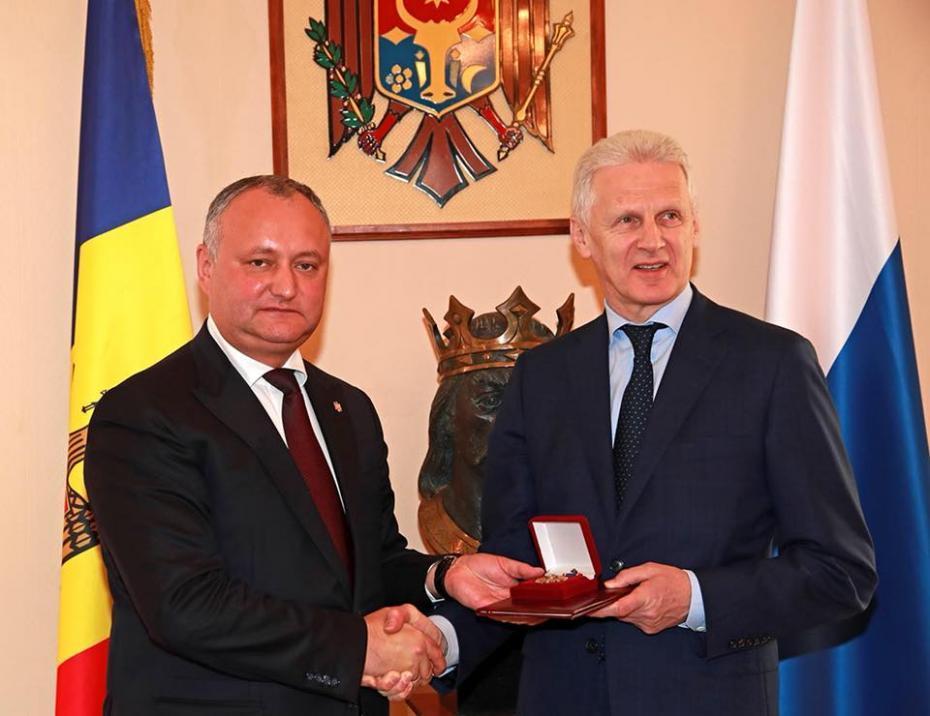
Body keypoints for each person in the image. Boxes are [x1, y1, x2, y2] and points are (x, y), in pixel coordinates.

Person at [432, 130, 878, 715]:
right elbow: (514, 558)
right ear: (582, 237)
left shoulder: (772, 364)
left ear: (695, 227)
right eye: (627, 220)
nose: (653, 240)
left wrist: (694, 598)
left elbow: (841, 572)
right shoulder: (540, 376)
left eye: (670, 216)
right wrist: (441, 639)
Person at [84, 175, 540, 715]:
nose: (285, 286)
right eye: (260, 262)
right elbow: (185, 603)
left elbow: (371, 561)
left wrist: (443, 576)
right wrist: (359, 649)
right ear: (206, 266)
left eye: (306, 265)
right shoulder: (143, 413)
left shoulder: (348, 409)